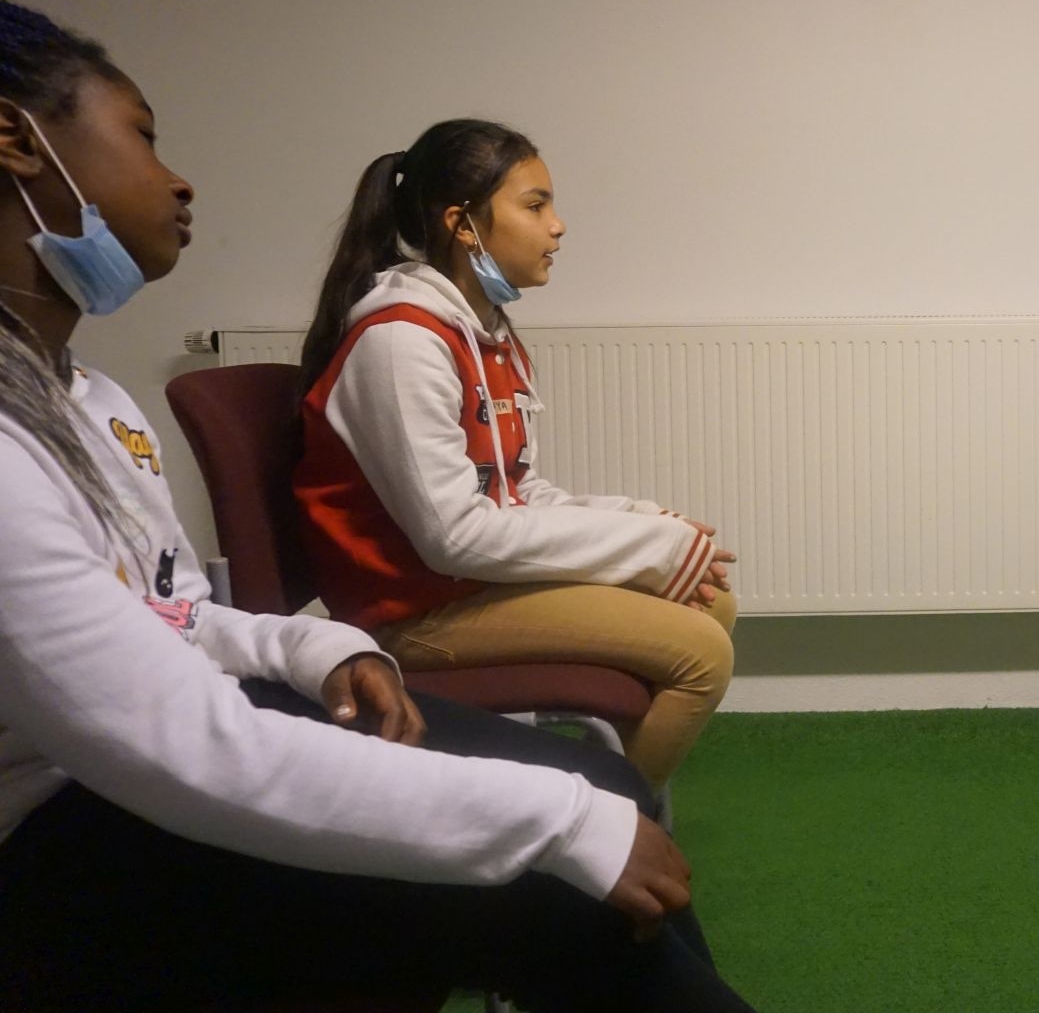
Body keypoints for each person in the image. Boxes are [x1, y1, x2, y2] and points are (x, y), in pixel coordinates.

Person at [0, 0, 757, 1009]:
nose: (179, 179)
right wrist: (556, 821)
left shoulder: (88, 399)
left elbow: (166, 613)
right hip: (59, 824)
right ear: (17, 138)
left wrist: (307, 646)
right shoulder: (401, 334)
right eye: (143, 135)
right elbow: (176, 735)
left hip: (168, 742)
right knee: (558, 866)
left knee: (597, 801)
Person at [294, 120, 738, 790]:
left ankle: (599, 803)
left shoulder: (483, 335)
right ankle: (601, 827)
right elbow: (455, 538)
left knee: (713, 601)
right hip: (408, 614)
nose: (557, 226)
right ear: (463, 225)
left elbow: (516, 492)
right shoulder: (400, 344)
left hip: (464, 586)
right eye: (535, 205)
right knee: (702, 651)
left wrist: (641, 520)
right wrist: (649, 550)